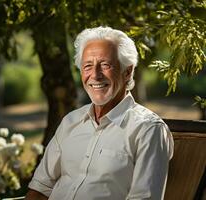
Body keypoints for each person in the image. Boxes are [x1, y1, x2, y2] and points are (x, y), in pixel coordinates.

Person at [25, 26, 174, 200]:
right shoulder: (71, 121)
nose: (95, 75)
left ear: (128, 72)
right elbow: (40, 189)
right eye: (87, 66)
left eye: (105, 65)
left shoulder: (148, 130)